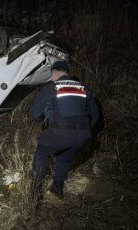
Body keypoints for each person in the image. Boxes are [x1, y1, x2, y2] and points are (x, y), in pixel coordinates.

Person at [30, 61, 99, 200]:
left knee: (42, 152)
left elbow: (35, 114)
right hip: (83, 135)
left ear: (54, 74)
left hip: (60, 131)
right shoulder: (85, 88)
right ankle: (57, 189)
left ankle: (35, 191)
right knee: (64, 156)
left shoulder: (51, 88)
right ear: (67, 73)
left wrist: (46, 117)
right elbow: (95, 116)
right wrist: (81, 131)